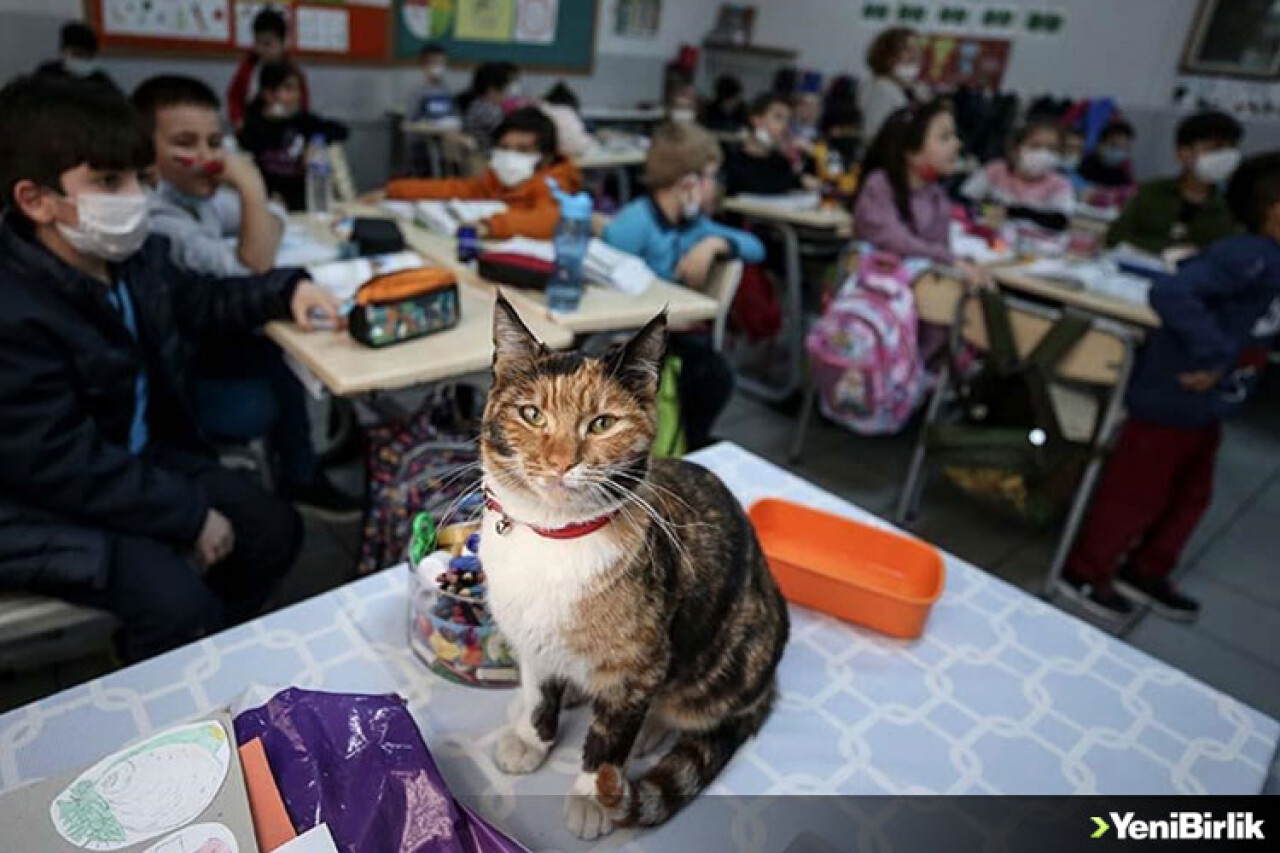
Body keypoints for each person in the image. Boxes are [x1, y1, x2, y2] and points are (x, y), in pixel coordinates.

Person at [0, 76, 345, 661]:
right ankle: (175, 654)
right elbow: (59, 464)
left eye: (141, 178)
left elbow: (203, 299)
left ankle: (195, 648)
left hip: (136, 459)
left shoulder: (132, 261)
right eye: (109, 182)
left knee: (275, 530)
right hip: (40, 505)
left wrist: (286, 290)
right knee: (178, 606)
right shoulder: (15, 312)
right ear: (36, 200)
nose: (135, 197)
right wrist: (188, 517)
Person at [1060, 152, 1280, 622]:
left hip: (1211, 403)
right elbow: (1172, 291)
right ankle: (1085, 570)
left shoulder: (1269, 260)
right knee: (1136, 488)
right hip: (1173, 393)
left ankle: (1146, 568)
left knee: (1190, 493)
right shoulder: (1247, 256)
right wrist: (1215, 354)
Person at [132, 75, 361, 519]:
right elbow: (254, 263)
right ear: (143, 152)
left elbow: (274, 217)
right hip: (181, 371)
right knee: (287, 351)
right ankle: (300, 473)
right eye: (185, 143)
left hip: (205, 333)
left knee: (292, 344)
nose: (208, 158)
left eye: (215, 142)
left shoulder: (192, 193)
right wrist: (250, 183)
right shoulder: (155, 216)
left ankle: (311, 457)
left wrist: (256, 208)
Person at [603, 122, 765, 449]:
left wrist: (715, 244)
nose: (715, 186)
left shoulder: (696, 227)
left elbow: (756, 248)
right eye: (711, 177)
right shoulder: (635, 222)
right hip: (627, 333)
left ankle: (685, 443)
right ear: (688, 182)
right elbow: (604, 282)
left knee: (713, 375)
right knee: (704, 375)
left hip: (674, 332)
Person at [383, 107, 582, 240]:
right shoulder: (497, 179)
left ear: (546, 157)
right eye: (505, 148)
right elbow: (455, 188)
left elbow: (550, 220)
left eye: (522, 150)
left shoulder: (554, 185)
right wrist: (393, 190)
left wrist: (489, 226)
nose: (510, 156)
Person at [852, 101, 991, 287]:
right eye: (944, 137)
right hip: (875, 289)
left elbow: (940, 250)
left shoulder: (937, 196)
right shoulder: (880, 185)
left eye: (955, 135)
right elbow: (895, 240)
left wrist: (964, 264)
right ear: (911, 152)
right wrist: (950, 260)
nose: (957, 144)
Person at [1106, 111, 1244, 255]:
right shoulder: (1152, 192)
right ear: (1183, 153)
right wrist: (1166, 250)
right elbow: (1116, 236)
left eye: (1230, 148)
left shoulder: (1231, 207)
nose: (1224, 157)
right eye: (1215, 148)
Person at [238, 62, 349, 211]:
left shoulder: (302, 121)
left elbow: (341, 130)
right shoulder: (254, 125)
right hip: (266, 202)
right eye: (288, 89)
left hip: (301, 202)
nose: (296, 96)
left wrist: (313, 143)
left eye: (296, 90)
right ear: (268, 93)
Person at [960, 119, 1075, 228]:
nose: (1043, 153)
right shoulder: (995, 171)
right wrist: (987, 210)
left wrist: (1011, 212)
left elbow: (1060, 221)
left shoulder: (1059, 184)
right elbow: (964, 200)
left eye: (1052, 149)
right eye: (1036, 146)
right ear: (1016, 148)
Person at [227, 8, 309, 131]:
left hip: (286, 128)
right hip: (251, 129)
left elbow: (303, 105)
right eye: (257, 42)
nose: (260, 49)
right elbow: (234, 96)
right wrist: (237, 120)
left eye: (267, 44)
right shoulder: (248, 67)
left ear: (282, 43)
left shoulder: (294, 72)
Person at [724, 93, 813, 196]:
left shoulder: (780, 161)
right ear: (756, 120)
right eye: (778, 117)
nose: (784, 126)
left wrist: (811, 152)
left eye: (788, 120)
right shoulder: (734, 160)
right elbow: (754, 185)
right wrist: (798, 181)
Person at [859, 27, 920, 141]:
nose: (915, 55)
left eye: (917, 49)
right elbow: (876, 135)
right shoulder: (881, 89)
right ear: (888, 56)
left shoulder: (910, 88)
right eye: (907, 50)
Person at [35, 21, 117, 91]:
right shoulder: (47, 75)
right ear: (63, 50)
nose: (83, 60)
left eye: (89, 57)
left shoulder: (100, 80)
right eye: (78, 54)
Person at [458, 62, 517, 148]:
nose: (508, 93)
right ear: (491, 89)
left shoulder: (476, 104)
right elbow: (511, 136)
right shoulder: (489, 111)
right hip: (488, 152)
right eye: (507, 87)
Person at [1077, 119, 1137, 197]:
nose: (1116, 144)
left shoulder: (1125, 169)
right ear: (1102, 142)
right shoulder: (1088, 162)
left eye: (1121, 146)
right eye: (1112, 143)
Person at [538, 82, 595, 159]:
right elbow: (581, 143)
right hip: (574, 155)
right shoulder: (568, 112)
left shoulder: (541, 109)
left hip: (547, 156)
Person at [406, 44, 455, 123]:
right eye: (434, 62)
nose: (438, 66)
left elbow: (451, 113)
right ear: (423, 64)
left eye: (441, 63)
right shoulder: (416, 88)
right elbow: (411, 118)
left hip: (443, 128)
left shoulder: (446, 87)